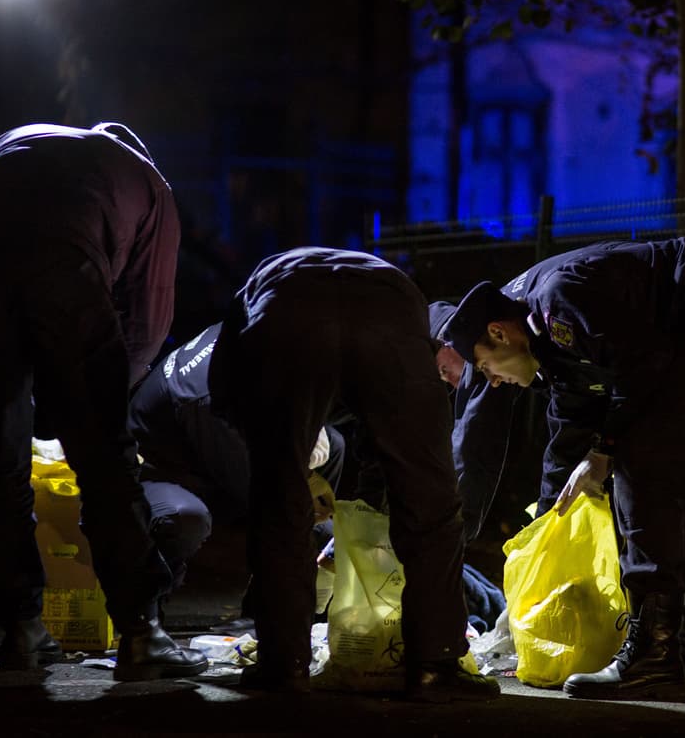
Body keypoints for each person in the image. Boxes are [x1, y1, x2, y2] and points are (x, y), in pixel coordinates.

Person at [0, 122, 207, 681]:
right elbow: (149, 320)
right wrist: (96, 404)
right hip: (66, 264)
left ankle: (21, 629)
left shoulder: (17, 139)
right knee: (105, 462)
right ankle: (141, 632)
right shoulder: (151, 185)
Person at [440, 237, 685, 697]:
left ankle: (654, 653)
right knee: (677, 463)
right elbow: (567, 442)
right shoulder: (550, 340)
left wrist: (605, 450)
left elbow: (642, 366)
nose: (493, 381)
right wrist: (544, 556)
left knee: (642, 460)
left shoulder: (558, 300)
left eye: (485, 365)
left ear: (498, 333)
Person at [206, 246, 500, 702]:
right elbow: (398, 455)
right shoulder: (404, 306)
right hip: (389, 311)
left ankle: (284, 665)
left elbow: (224, 388)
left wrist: (285, 464)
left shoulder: (260, 284)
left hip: (288, 310)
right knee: (432, 507)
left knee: (280, 501)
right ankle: (436, 665)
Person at [126, 321, 343, 617]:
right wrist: (303, 488)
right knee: (185, 517)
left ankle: (276, 597)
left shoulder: (257, 331)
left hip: (212, 459)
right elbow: (263, 490)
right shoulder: (205, 396)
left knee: (333, 445)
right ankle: (144, 617)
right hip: (160, 474)